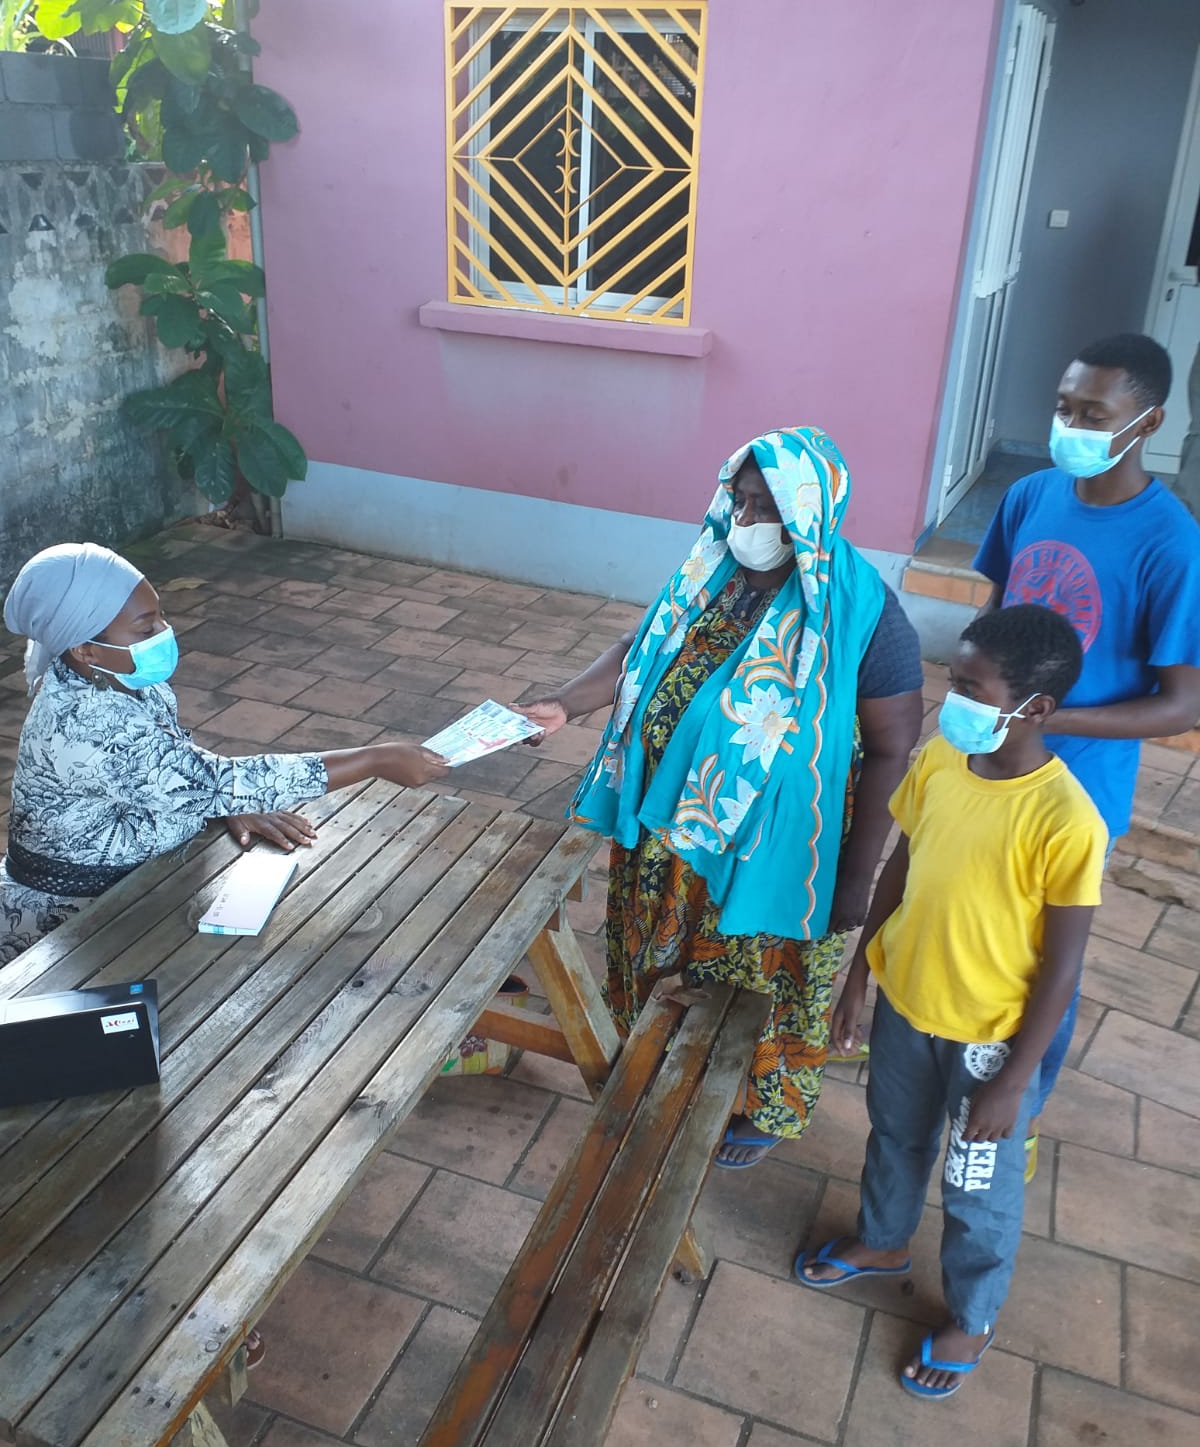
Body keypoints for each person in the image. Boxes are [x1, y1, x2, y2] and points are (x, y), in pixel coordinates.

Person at [517, 427, 924, 1168]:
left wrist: (855, 878)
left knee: (762, 984)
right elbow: (637, 649)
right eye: (739, 502)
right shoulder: (713, 571)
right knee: (665, 968)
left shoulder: (862, 612)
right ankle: (660, 1067)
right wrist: (564, 705)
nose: (746, 522)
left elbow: (894, 745)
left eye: (767, 509)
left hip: (775, 851)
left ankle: (764, 1105)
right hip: (666, 836)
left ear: (811, 514)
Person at [797, 605, 1106, 1399]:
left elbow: (1061, 970)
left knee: (979, 1187)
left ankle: (972, 1313)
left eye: (971, 686)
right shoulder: (939, 761)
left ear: (1033, 709)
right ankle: (883, 1239)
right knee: (895, 1134)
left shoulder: (1065, 819)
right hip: (907, 1005)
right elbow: (902, 865)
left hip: (989, 1044)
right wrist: (861, 972)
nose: (952, 697)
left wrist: (1013, 1082)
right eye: (952, 678)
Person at [1, 542, 450, 970]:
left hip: (143, 885)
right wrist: (376, 760)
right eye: (144, 629)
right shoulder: (82, 721)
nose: (163, 633)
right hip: (74, 926)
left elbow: (171, 764)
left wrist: (215, 802)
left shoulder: (116, 676)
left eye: (161, 618)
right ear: (86, 648)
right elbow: (205, 777)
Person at [973, 333, 1200, 1170]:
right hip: (990, 761)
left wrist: (1050, 722)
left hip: (1076, 788)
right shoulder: (1032, 495)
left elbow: (1184, 701)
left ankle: (1018, 1103)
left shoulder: (1170, 543)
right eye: (1064, 408)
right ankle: (941, 1046)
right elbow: (997, 619)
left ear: (1147, 422)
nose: (1070, 425)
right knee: (963, 909)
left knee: (1044, 951)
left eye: (1092, 414)